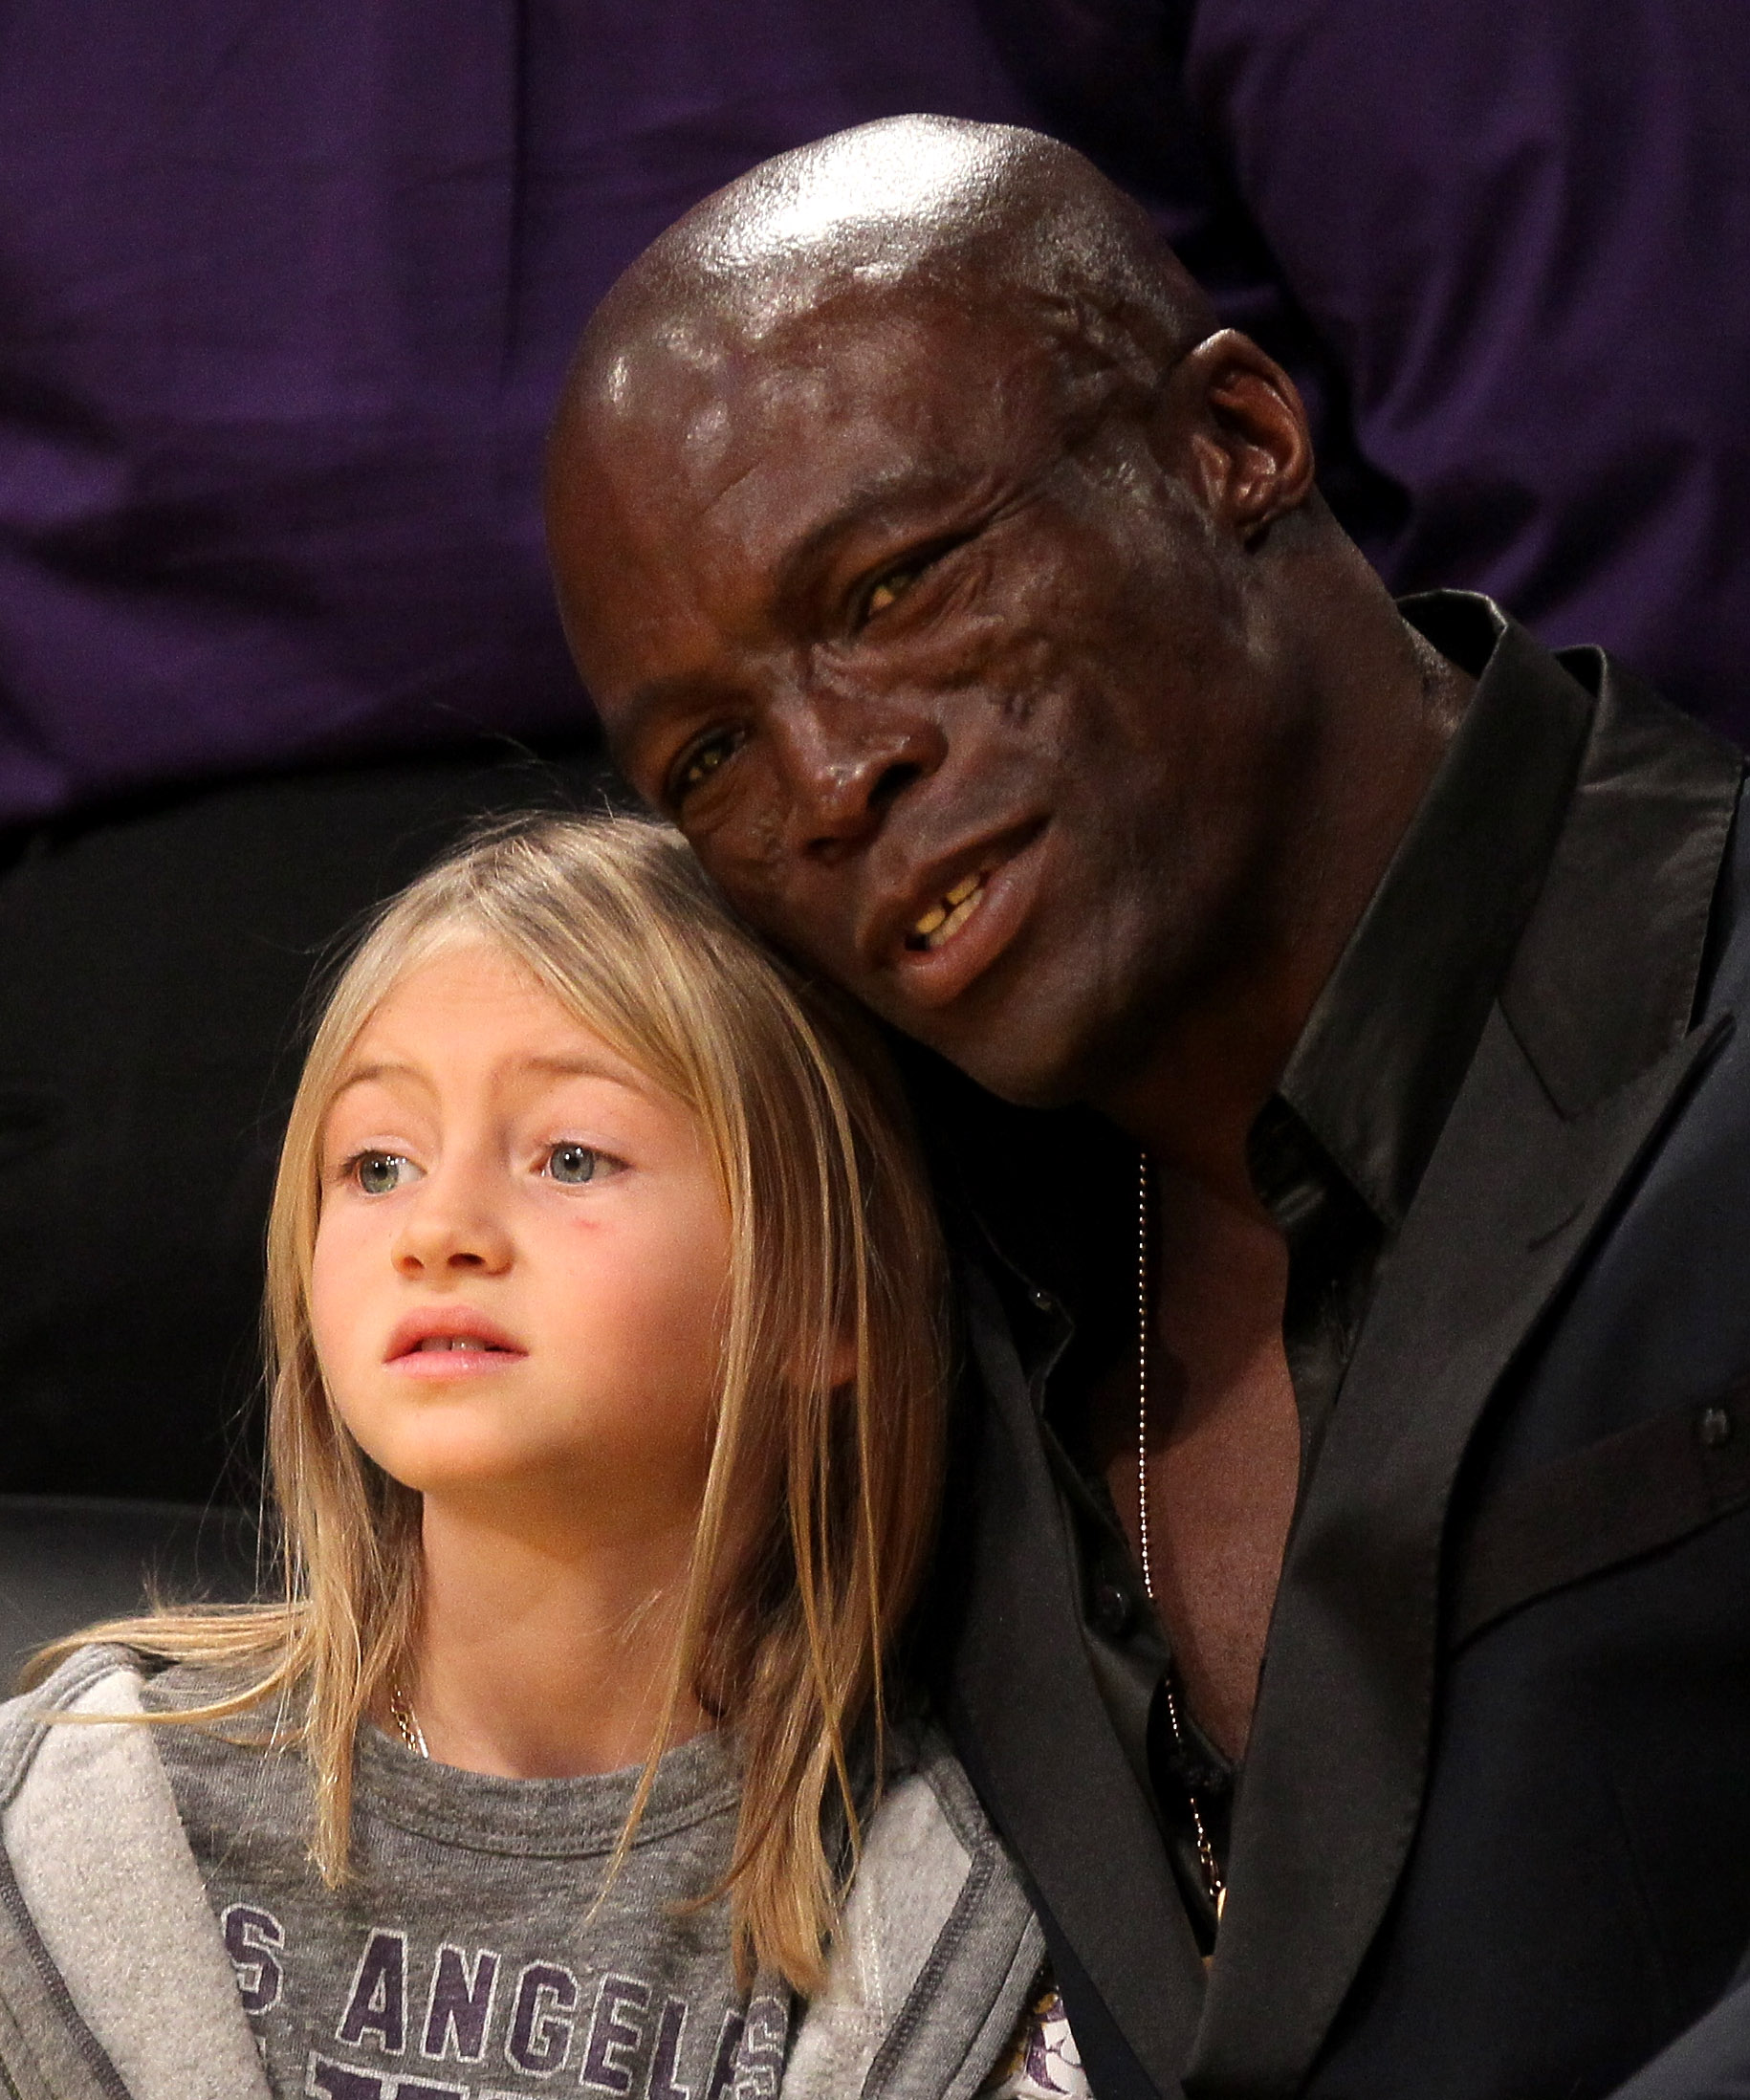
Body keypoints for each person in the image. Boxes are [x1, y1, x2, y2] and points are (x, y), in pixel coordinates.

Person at [543, 117, 1750, 2100]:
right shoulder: (866, 1325)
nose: (834, 775)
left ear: (1235, 445)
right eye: (712, 756)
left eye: (892, 584)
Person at [0, 815, 1077, 2100]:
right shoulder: (76, 1817)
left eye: (570, 1156)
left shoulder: (969, 1904)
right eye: (377, 1164)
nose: (439, 1230)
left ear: (825, 1301)